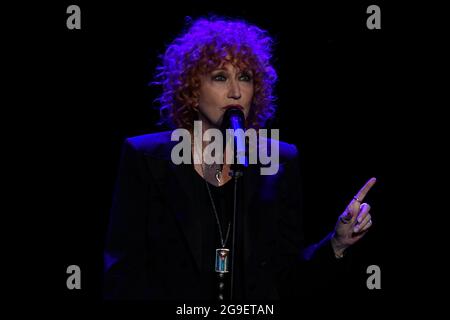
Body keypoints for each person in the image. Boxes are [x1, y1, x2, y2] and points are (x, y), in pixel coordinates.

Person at [103, 16, 376, 301]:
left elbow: (288, 278)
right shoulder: (147, 157)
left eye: (245, 77)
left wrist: (337, 243)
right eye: (220, 77)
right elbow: (122, 272)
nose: (235, 91)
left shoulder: (279, 160)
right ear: (193, 91)